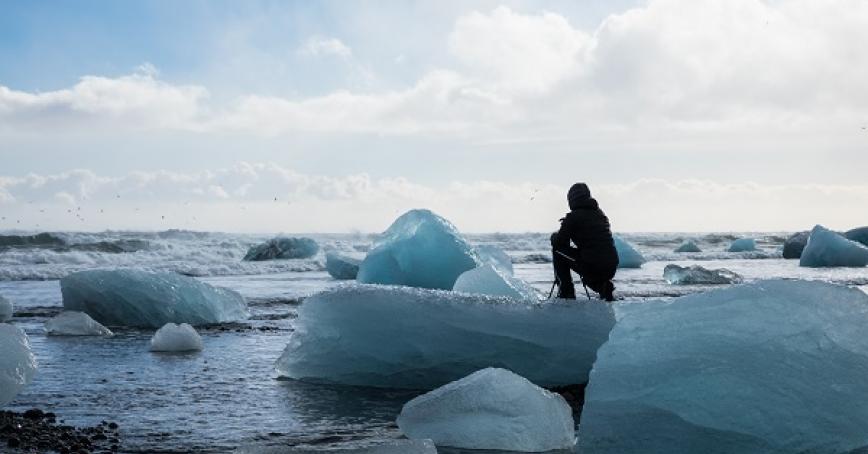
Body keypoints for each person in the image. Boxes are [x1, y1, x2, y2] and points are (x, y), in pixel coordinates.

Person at [550, 183, 619, 301]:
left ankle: (566, 293)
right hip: (611, 264)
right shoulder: (600, 214)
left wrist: (555, 235)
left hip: (592, 263)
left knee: (558, 252)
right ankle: (604, 288)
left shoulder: (573, 217)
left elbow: (559, 242)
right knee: (592, 270)